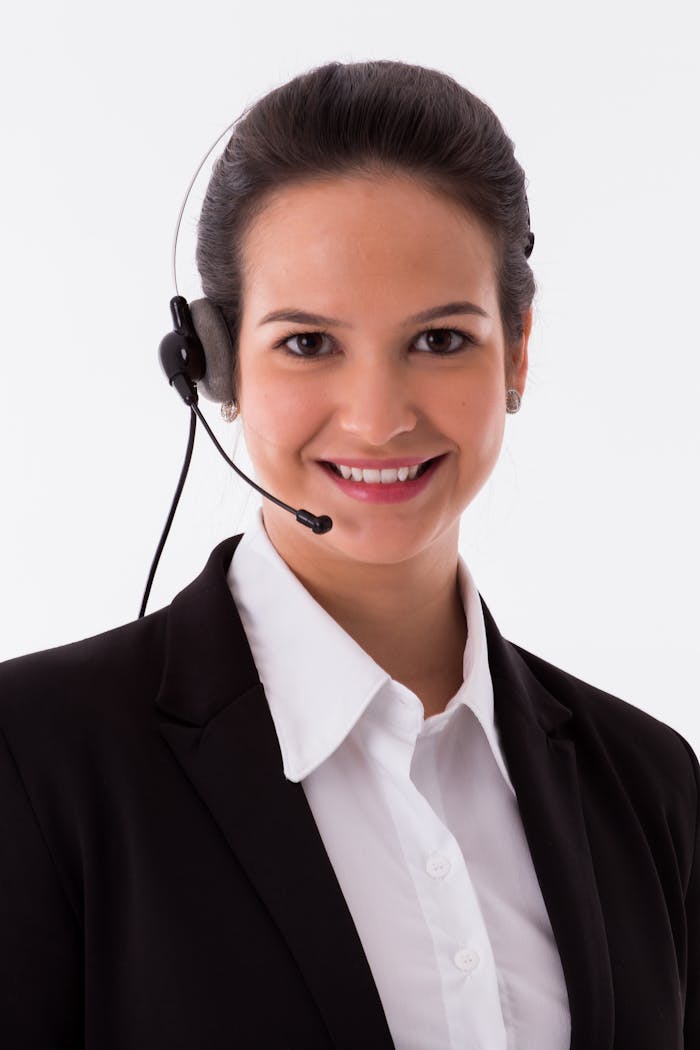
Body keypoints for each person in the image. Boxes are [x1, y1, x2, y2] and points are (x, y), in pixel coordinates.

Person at [0, 59, 697, 1050]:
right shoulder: (34, 761)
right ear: (212, 362)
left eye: (440, 340)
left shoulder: (648, 782)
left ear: (519, 352)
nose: (376, 419)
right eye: (308, 344)